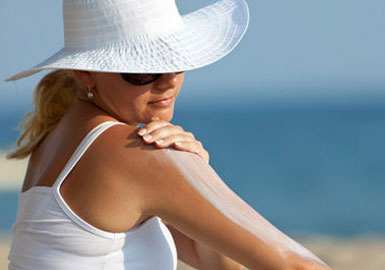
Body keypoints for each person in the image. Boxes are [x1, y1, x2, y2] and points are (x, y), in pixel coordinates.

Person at [4, 0, 330, 269]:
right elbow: (292, 263)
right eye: (144, 69)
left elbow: (216, 262)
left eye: (176, 59)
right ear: (86, 72)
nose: (169, 80)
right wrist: (183, 172)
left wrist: (195, 174)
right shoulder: (134, 153)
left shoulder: (54, 139)